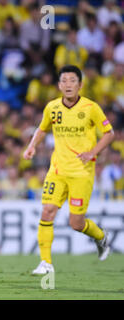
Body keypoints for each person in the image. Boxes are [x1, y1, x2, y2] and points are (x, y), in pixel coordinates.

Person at [23, 65, 114, 275]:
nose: (68, 85)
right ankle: (46, 263)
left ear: (80, 85)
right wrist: (32, 146)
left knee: (76, 223)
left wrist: (93, 152)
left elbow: (109, 133)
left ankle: (101, 237)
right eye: (64, 81)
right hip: (57, 170)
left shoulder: (91, 108)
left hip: (82, 173)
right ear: (59, 85)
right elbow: (43, 128)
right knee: (47, 211)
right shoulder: (52, 107)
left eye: (73, 81)